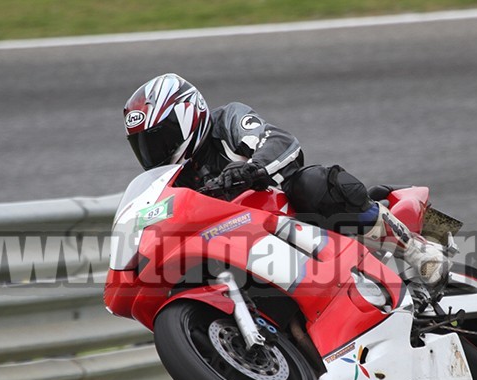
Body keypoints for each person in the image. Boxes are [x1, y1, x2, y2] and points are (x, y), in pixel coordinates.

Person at [123, 73, 450, 289]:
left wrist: (253, 169)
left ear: (186, 116)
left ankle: (417, 249)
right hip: (243, 243)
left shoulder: (227, 121)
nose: (153, 152)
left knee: (312, 183)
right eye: (143, 146)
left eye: (158, 139)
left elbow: (280, 141)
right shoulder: (178, 180)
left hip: (286, 213)